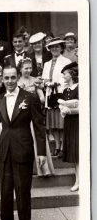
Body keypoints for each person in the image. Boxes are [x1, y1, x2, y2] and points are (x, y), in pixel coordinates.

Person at [0, 66, 46, 220]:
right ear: (2, 79)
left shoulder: (29, 97)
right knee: (5, 191)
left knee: (23, 190)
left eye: (12, 77)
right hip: (5, 149)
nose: (9, 81)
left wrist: (42, 152)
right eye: (6, 78)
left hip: (23, 148)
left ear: (18, 77)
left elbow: (39, 126)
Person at [17, 58, 55, 177]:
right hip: (24, 115)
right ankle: (32, 168)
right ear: (20, 69)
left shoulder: (35, 80)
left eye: (29, 68)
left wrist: (36, 95)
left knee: (38, 136)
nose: (28, 70)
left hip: (35, 113)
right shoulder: (17, 82)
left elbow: (42, 98)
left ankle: (44, 168)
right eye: (25, 68)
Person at [48, 62, 79, 191]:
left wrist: (67, 107)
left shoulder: (79, 87)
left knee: (79, 152)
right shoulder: (65, 90)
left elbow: (81, 105)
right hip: (69, 123)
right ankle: (78, 180)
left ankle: (81, 180)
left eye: (65, 74)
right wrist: (63, 109)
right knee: (74, 154)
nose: (63, 77)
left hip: (78, 122)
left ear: (71, 74)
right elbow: (65, 108)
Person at [42, 37, 71, 157]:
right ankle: (57, 147)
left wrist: (57, 83)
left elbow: (68, 77)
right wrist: (46, 83)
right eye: (52, 47)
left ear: (61, 48)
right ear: (49, 49)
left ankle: (64, 146)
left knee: (61, 121)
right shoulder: (47, 63)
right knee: (53, 122)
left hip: (61, 92)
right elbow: (44, 79)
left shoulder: (66, 61)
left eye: (57, 46)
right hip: (50, 94)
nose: (54, 49)